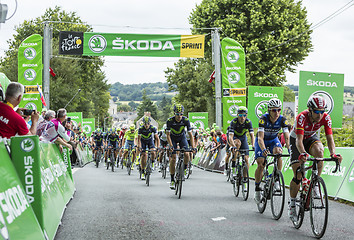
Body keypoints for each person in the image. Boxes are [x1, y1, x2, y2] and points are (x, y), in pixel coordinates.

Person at [288, 95, 342, 221]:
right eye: (317, 111)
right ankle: (292, 205)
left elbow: (330, 138)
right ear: (310, 109)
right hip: (296, 140)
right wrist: (302, 153)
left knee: (320, 152)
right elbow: (299, 141)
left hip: (311, 138)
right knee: (298, 175)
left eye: (322, 111)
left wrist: (333, 154)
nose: (320, 115)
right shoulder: (302, 117)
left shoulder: (326, 118)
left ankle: (316, 182)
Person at [254, 98, 290, 204]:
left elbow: (287, 137)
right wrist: (264, 149)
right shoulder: (263, 119)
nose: (277, 113)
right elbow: (260, 138)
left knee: (279, 152)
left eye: (279, 110)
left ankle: (276, 178)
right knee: (261, 164)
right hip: (262, 141)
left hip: (274, 140)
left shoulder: (283, 120)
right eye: (274, 110)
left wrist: (289, 149)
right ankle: (257, 188)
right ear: (269, 110)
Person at [166, 104, 195, 189]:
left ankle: (185, 168)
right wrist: (171, 146)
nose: (179, 116)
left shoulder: (186, 120)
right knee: (173, 158)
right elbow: (167, 135)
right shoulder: (170, 121)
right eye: (177, 114)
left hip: (182, 137)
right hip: (172, 138)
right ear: (174, 113)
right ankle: (172, 180)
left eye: (181, 114)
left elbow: (190, 135)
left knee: (186, 154)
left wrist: (192, 147)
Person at [228, 106, 255, 178]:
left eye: (244, 115)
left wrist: (253, 145)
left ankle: (245, 178)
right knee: (237, 144)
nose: (242, 117)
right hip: (235, 137)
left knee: (246, 159)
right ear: (237, 115)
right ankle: (233, 168)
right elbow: (230, 137)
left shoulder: (248, 122)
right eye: (240, 115)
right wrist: (233, 146)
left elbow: (252, 135)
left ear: (246, 115)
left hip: (243, 138)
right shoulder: (234, 122)